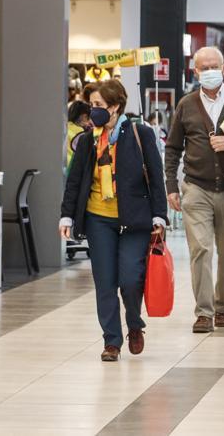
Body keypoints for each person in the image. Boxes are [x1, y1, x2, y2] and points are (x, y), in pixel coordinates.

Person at [61, 79, 167, 362]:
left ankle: (134, 323)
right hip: (98, 219)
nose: (93, 111)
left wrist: (160, 215)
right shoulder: (87, 140)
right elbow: (74, 181)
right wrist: (67, 215)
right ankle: (111, 341)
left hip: (135, 220)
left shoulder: (140, 134)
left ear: (115, 106)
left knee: (131, 279)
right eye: (91, 105)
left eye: (98, 106)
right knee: (105, 282)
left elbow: (156, 177)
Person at [165, 46, 224, 334]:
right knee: (200, 249)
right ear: (195, 71)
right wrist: (171, 186)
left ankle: (222, 305)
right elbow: (173, 148)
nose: (210, 71)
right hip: (195, 187)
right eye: (204, 67)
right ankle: (203, 312)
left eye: (215, 66)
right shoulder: (186, 104)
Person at [67, 101, 93, 171]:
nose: (89, 122)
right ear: (84, 116)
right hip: (71, 170)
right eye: (88, 118)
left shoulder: (66, 126)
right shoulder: (80, 134)